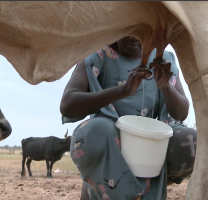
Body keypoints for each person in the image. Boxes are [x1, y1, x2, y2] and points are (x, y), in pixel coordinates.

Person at [60, 36, 197, 200]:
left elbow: (181, 113)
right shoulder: (98, 55)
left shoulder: (163, 60)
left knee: (192, 143)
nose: (133, 36)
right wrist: (122, 91)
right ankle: (105, 186)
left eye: (140, 29)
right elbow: (67, 104)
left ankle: (137, 187)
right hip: (111, 145)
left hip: (152, 149)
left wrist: (166, 87)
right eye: (128, 28)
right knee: (90, 135)